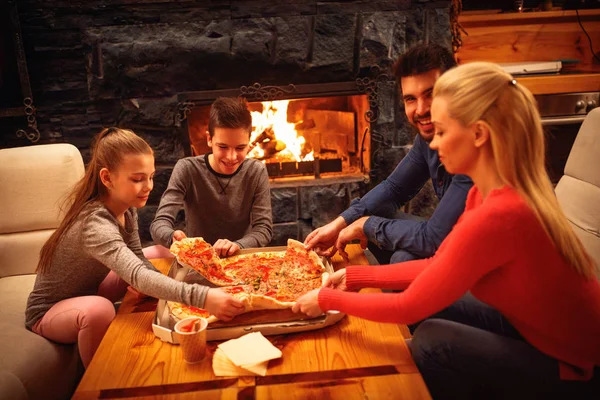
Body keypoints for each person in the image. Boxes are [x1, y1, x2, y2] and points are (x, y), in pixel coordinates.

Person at [293, 62, 600, 399]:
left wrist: (325, 299)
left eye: (441, 131)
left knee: (432, 342)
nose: (433, 144)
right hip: (528, 327)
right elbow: (438, 266)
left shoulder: (500, 214)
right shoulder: (483, 192)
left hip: (576, 367)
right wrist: (354, 277)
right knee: (430, 310)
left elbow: (408, 307)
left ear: (479, 134)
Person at [25, 128, 245, 368]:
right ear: (107, 178)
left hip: (92, 288)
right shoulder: (94, 224)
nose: (148, 186)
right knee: (100, 310)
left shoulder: (126, 209)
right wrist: (202, 296)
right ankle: (99, 379)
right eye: (137, 179)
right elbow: (138, 276)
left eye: (150, 177)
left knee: (161, 252)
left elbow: (138, 258)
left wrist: (199, 282)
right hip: (50, 312)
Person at [304, 43, 472, 264]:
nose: (420, 109)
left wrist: (366, 225)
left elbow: (435, 238)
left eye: (431, 94)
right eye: (410, 99)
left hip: (481, 261)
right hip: (451, 240)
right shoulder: (427, 138)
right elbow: (394, 188)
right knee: (384, 231)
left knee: (394, 248)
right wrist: (339, 224)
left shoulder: (474, 149)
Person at [148, 97, 272, 259]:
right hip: (198, 259)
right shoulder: (187, 168)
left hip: (240, 258)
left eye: (240, 148)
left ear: (249, 142)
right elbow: (159, 223)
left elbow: (264, 229)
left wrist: (238, 245)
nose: (231, 156)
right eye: (223, 147)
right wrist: (172, 237)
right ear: (209, 139)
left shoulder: (256, 170)